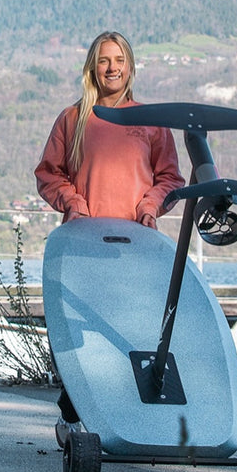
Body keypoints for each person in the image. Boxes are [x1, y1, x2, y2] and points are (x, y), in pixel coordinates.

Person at [34, 30, 185, 446]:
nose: (112, 67)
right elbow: (48, 173)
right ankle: (71, 415)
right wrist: (73, 202)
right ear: (92, 68)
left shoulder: (150, 121)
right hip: (84, 245)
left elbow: (171, 178)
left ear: (131, 67)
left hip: (137, 247)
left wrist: (151, 204)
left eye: (119, 60)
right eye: (104, 60)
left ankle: (132, 420)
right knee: (81, 332)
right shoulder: (73, 118)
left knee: (133, 331)